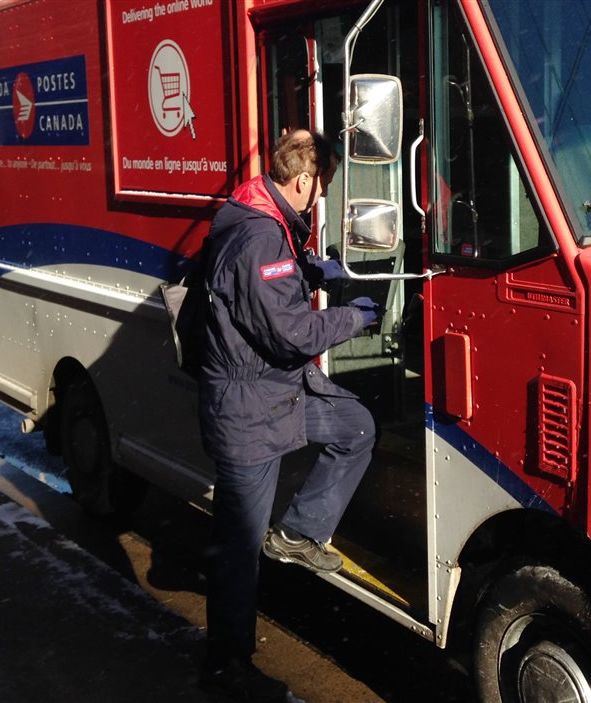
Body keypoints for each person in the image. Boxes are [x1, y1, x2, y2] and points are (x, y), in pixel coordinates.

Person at [195, 129, 380, 701]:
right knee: (238, 546)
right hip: (250, 409)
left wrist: (312, 273)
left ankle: (299, 533)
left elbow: (261, 294)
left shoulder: (258, 213)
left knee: (356, 427)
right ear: (303, 180)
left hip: (283, 393)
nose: (318, 194)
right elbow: (291, 331)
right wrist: (356, 318)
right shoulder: (260, 236)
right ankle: (227, 664)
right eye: (320, 183)